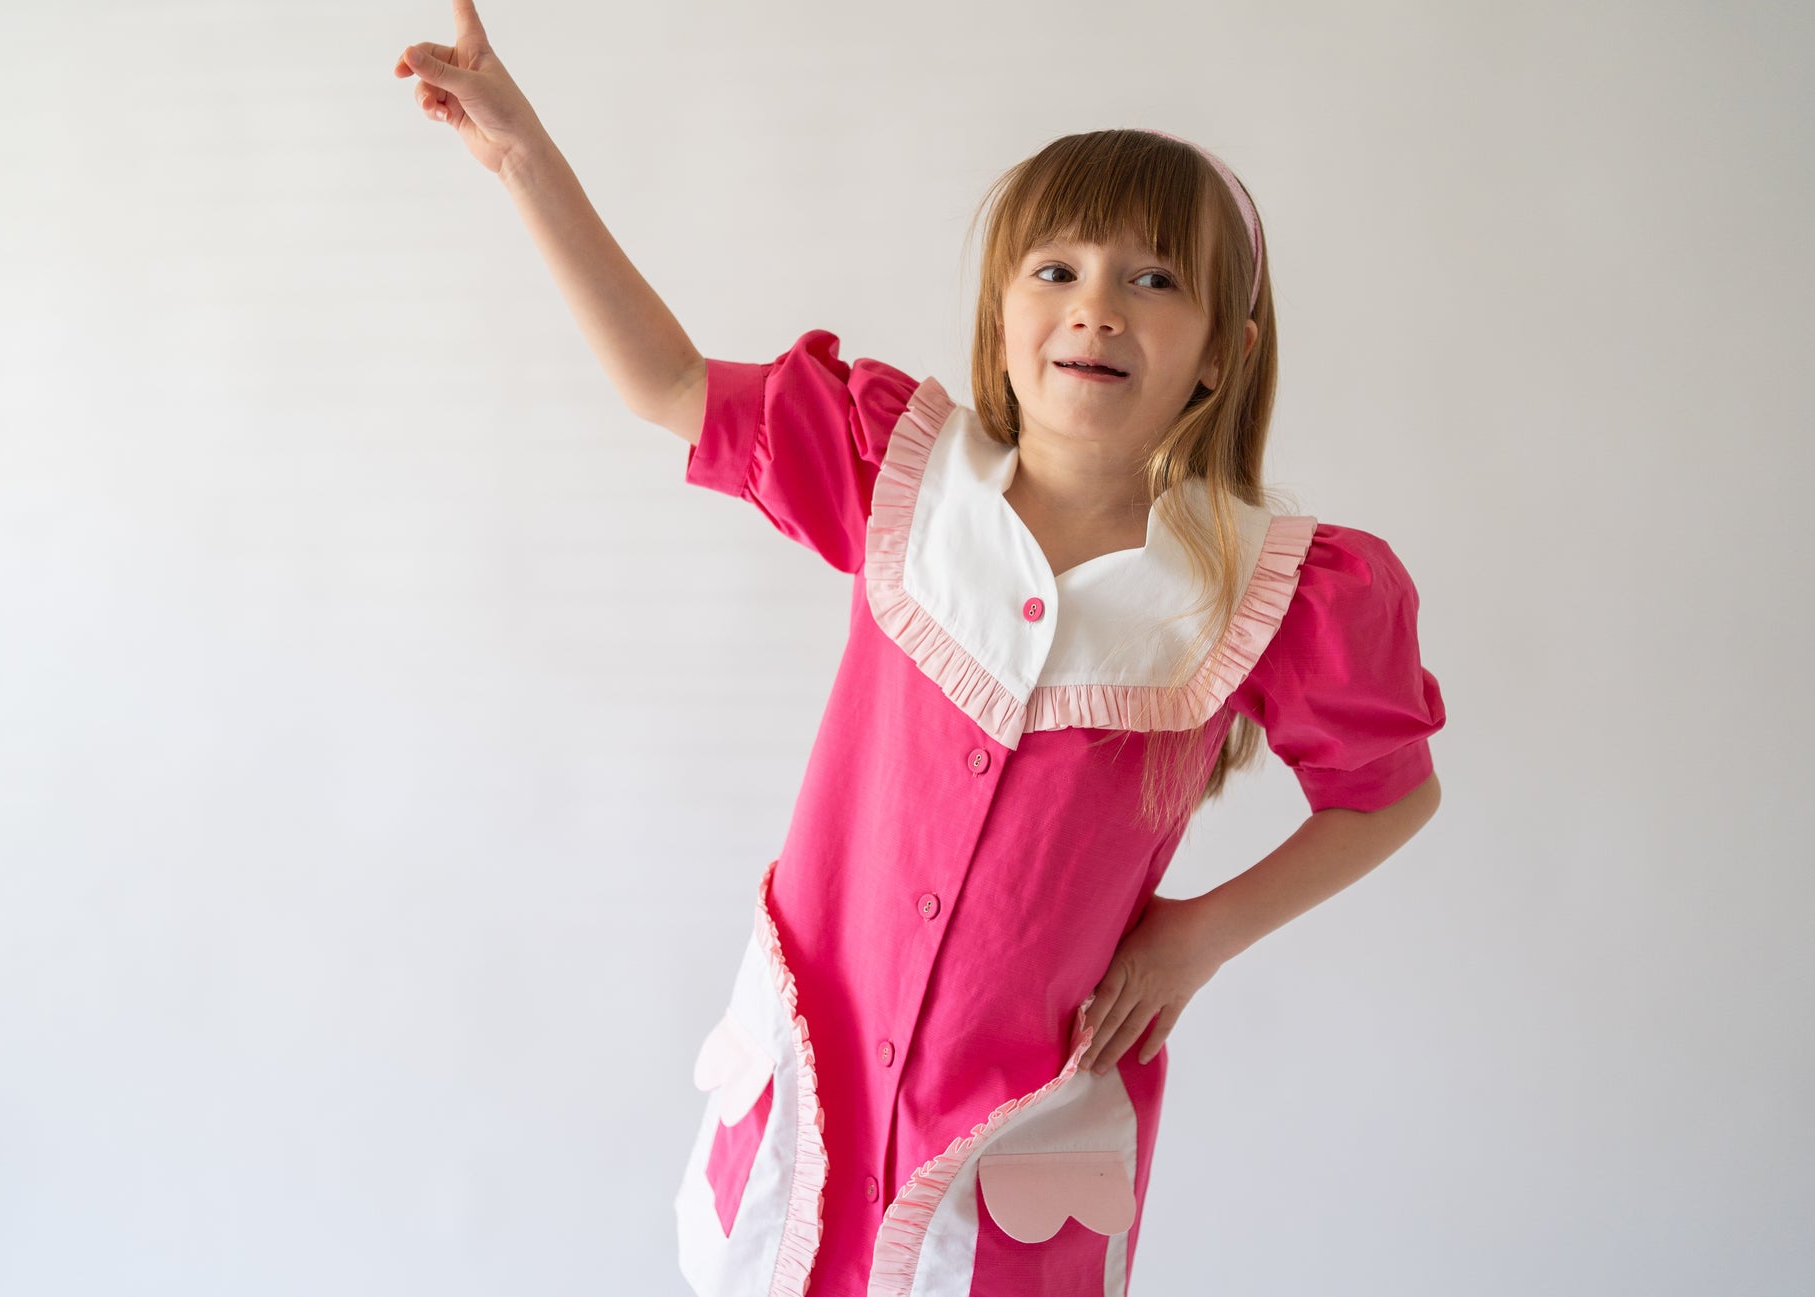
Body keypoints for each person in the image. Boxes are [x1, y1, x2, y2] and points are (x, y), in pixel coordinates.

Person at [395, 6, 1447, 1294]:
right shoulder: (898, 470)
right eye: (1056, 269)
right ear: (1003, 315)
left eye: (1154, 279)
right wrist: (523, 156)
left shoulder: (1268, 588)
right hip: (814, 1091)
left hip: (1013, 1140)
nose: (1097, 307)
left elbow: (1389, 793)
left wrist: (1201, 936)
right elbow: (668, 383)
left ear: (1225, 354)